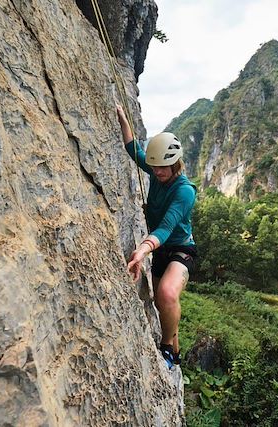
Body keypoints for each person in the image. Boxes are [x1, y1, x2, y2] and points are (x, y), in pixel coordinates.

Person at [116, 105, 198, 369]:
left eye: (163, 168)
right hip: (160, 251)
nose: (158, 172)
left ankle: (166, 349)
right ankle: (175, 348)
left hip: (180, 249)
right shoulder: (156, 172)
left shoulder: (184, 191)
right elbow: (133, 150)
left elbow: (166, 226)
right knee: (161, 303)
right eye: (156, 167)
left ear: (175, 163)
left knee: (167, 294)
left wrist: (142, 249)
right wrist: (122, 117)